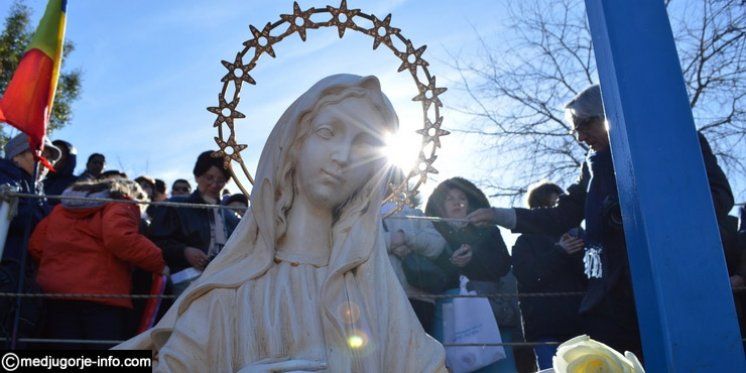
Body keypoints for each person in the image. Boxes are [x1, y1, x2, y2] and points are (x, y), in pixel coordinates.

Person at [116, 74, 446, 372]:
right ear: (295, 142)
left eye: (365, 146)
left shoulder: (377, 296)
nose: (343, 156)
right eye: (328, 132)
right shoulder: (228, 291)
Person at [468, 85, 734, 358]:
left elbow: (720, 197)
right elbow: (561, 216)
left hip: (672, 283)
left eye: (585, 125)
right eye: (576, 130)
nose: (581, 137)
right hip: (612, 299)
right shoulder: (592, 168)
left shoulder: (678, 141)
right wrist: (498, 215)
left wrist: (653, 213)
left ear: (611, 114)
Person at [29, 178, 166, 349]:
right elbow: (120, 239)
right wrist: (160, 262)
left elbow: (36, 245)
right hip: (102, 297)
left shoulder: (59, 209)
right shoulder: (121, 203)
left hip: (55, 295)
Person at [425, 177, 518, 373]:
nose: (457, 202)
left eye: (462, 198)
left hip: (493, 309)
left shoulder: (489, 230)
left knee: (501, 367)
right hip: (450, 313)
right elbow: (429, 274)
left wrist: (474, 255)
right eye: (449, 198)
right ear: (440, 206)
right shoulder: (430, 231)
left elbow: (503, 265)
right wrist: (452, 263)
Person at [511, 181, 586, 370]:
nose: (557, 211)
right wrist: (559, 251)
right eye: (551, 206)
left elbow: (588, 277)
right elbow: (528, 276)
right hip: (546, 331)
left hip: (581, 327)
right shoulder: (525, 241)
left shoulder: (578, 236)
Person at [147, 151, 241, 296]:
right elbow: (154, 241)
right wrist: (183, 251)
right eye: (209, 177)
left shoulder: (231, 218)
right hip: (184, 283)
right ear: (197, 177)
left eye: (221, 180)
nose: (214, 184)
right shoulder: (174, 206)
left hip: (226, 283)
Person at [0, 133, 60, 346]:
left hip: (23, 276)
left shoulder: (38, 190)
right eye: (41, 155)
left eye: (51, 159)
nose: (47, 163)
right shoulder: (4, 177)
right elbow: (16, 217)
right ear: (16, 156)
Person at [382, 178, 447, 335]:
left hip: (419, 298)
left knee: (421, 355)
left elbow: (437, 244)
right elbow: (357, 244)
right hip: (379, 296)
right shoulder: (362, 217)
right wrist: (390, 240)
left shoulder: (416, 214)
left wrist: (405, 237)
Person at [42, 140, 77, 206]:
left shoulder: (77, 183)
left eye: (61, 154)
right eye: (52, 155)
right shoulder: (39, 183)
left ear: (69, 158)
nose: (56, 158)